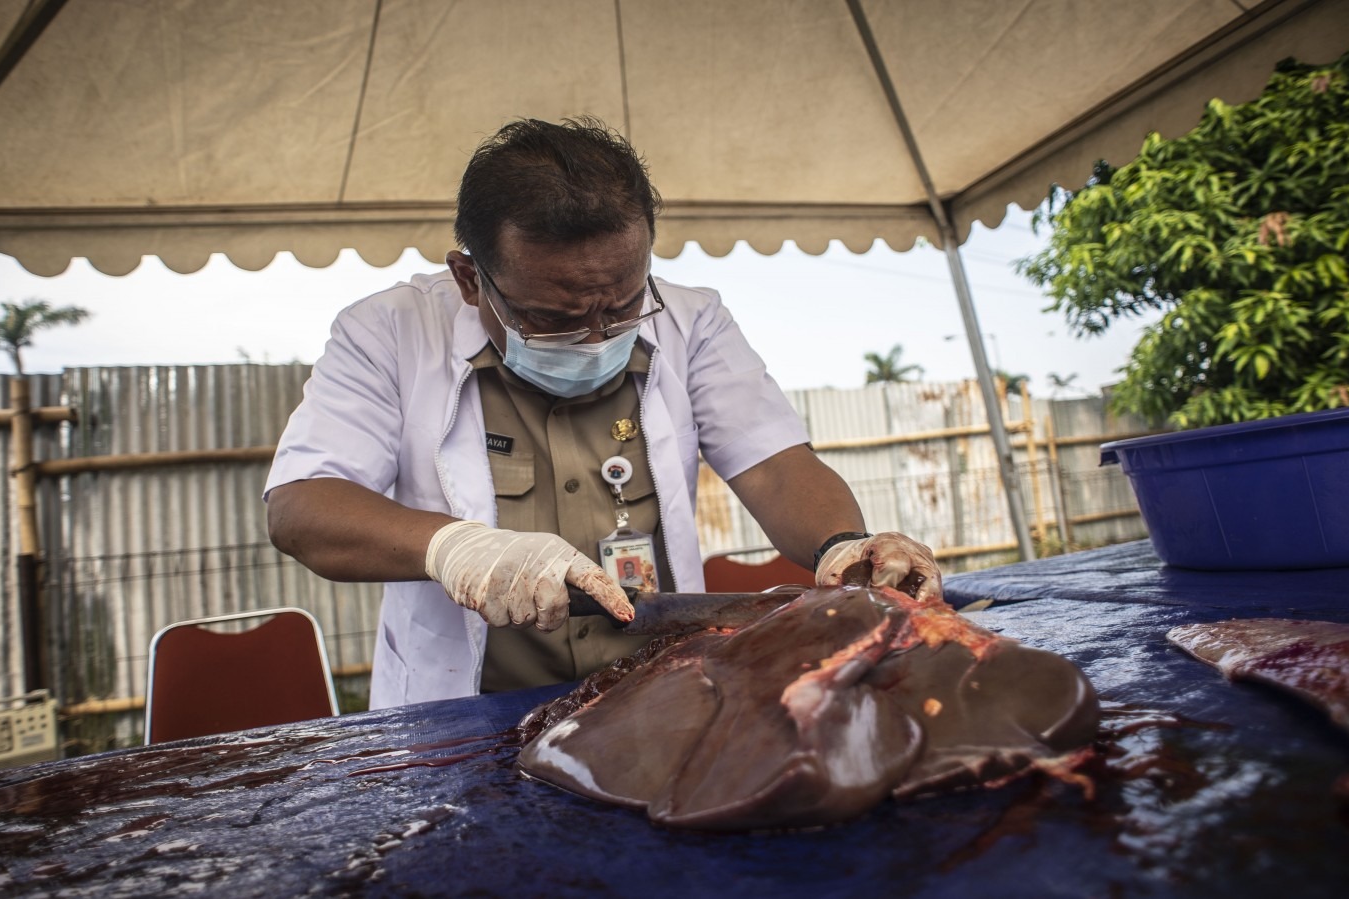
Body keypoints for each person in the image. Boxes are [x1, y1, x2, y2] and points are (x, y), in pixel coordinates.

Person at [264, 117, 941, 709]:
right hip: (473, 717)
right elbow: (302, 508)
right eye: (553, 317)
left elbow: (775, 466)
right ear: (472, 280)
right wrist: (454, 548)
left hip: (663, 692)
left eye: (621, 304)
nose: (596, 336)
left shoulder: (693, 319)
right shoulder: (387, 332)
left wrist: (843, 547)